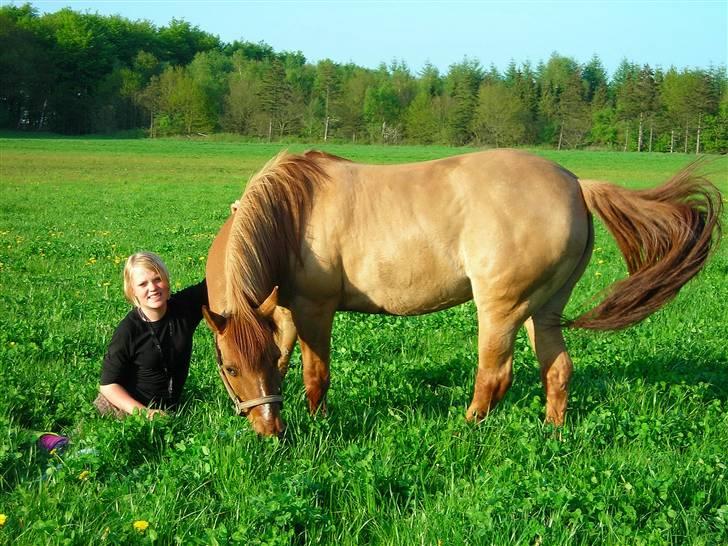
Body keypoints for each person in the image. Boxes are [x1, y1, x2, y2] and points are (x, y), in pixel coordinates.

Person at [95, 201, 240, 419]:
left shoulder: (183, 309)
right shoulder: (128, 330)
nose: (152, 288)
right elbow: (107, 386)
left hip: (167, 412)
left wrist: (235, 223)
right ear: (132, 290)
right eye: (143, 284)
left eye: (157, 279)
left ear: (166, 280)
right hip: (122, 411)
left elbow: (218, 277)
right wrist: (145, 414)